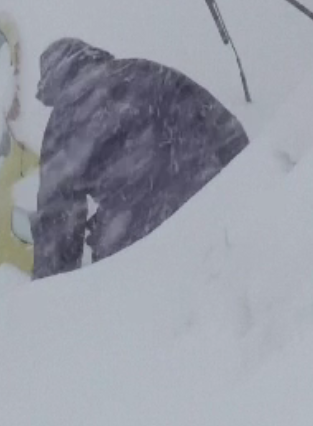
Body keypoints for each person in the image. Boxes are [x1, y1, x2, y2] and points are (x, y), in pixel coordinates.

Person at [31, 38, 249, 280]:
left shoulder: (64, 118)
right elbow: (224, 129)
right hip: (209, 203)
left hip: (136, 238)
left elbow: (58, 223)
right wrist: (247, 186)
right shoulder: (144, 70)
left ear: (54, 85)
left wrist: (50, 294)